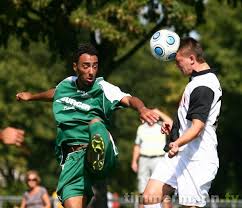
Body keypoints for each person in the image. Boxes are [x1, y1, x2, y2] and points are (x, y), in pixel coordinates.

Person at [16, 43, 159, 208]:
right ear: (75, 67)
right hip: (72, 159)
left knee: (95, 123)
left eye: (94, 66)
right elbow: (55, 93)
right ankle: (91, 159)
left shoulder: (103, 88)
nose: (91, 71)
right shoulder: (66, 85)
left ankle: (96, 152)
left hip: (102, 149)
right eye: (86, 66)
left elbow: (129, 99)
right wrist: (32, 96)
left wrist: (142, 108)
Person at [143, 37, 222, 208]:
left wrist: (177, 142)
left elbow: (198, 127)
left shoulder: (204, 86)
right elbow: (191, 120)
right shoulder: (197, 80)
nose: (176, 66)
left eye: (179, 62)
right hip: (181, 154)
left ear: (192, 59)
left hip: (198, 158)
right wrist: (175, 128)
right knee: (149, 198)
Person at [131, 109, 172, 208]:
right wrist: (134, 161)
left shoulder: (161, 125)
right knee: (142, 190)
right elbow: (137, 146)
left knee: (163, 191)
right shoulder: (141, 128)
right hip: (144, 159)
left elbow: (171, 123)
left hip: (159, 159)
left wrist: (158, 111)